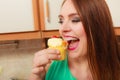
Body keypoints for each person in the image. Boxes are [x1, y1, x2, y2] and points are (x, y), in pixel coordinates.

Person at [29, 0, 120, 80]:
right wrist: (36, 77)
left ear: (98, 25)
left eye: (75, 20)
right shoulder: (48, 67)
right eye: (61, 21)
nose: (63, 29)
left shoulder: (116, 68)